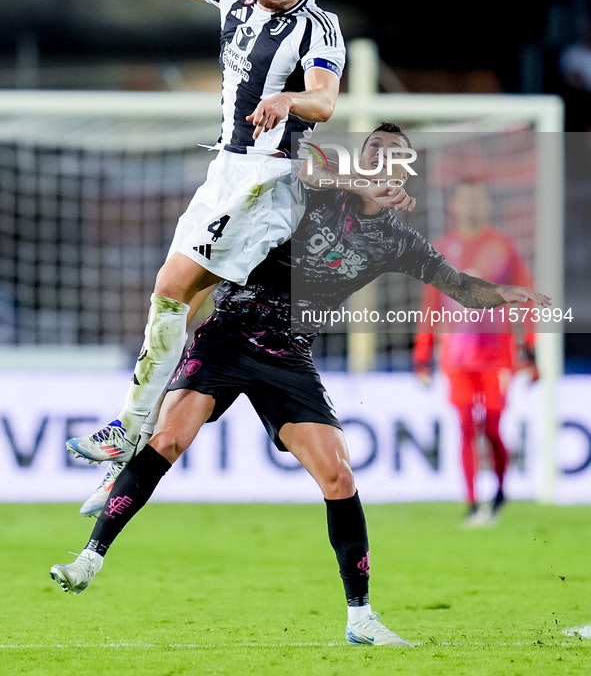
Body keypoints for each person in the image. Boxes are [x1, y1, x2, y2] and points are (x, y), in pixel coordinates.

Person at [50, 124, 550, 646]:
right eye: (374, 152)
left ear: (405, 172)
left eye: (395, 157)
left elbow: (462, 289)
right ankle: (88, 560)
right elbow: (305, 161)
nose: (383, 161)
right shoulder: (314, 193)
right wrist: (354, 179)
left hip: (289, 355)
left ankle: (361, 618)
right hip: (231, 331)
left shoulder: (399, 242)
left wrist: (506, 293)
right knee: (170, 439)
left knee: (338, 476)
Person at [58, 0, 345, 464]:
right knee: (177, 297)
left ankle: (134, 427)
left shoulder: (318, 28)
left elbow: (326, 100)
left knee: (175, 288)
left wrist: (289, 99)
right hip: (227, 169)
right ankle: (141, 430)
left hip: (268, 178)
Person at [412, 179, 539, 526]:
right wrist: (421, 356)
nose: (471, 206)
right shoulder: (440, 250)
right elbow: (431, 307)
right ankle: (471, 503)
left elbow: (526, 300)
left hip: (498, 355)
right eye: (465, 199)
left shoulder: (504, 248)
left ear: (486, 205)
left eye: (478, 200)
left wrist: (530, 348)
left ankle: (498, 492)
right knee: (466, 424)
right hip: (456, 356)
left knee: (494, 426)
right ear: (455, 205)